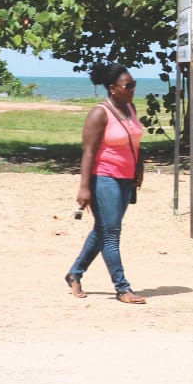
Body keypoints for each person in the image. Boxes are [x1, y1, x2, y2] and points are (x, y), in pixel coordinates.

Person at [65, 63, 146, 304]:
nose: (132, 89)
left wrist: (139, 169)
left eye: (134, 85)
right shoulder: (99, 113)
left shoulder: (130, 108)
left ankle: (74, 274)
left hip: (125, 179)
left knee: (103, 229)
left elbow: (135, 140)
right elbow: (88, 152)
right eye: (128, 85)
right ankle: (122, 288)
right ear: (112, 88)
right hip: (104, 178)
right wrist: (84, 187)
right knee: (111, 234)